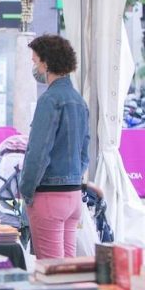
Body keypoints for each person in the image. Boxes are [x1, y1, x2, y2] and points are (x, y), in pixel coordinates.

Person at [19, 35, 90, 259]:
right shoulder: (79, 100)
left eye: (35, 61)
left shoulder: (49, 100)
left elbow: (38, 153)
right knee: (67, 269)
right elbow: (84, 150)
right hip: (73, 196)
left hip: (48, 197)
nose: (34, 66)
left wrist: (26, 190)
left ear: (46, 63)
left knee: (51, 272)